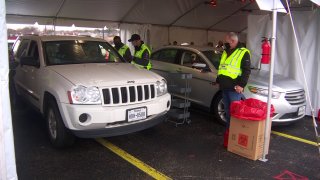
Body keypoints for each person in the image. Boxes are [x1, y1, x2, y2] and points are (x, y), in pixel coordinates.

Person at [216, 32, 251, 148]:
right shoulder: (226, 51)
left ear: (233, 41)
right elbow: (222, 67)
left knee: (235, 113)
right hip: (225, 87)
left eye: (227, 41)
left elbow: (246, 71)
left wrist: (241, 85)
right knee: (227, 111)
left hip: (234, 88)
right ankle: (229, 134)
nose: (225, 43)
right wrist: (218, 80)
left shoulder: (243, 52)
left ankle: (235, 135)